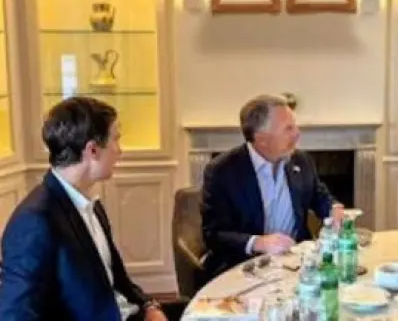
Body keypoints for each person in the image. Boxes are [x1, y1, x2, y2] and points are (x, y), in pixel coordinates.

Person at [0, 97, 179, 321]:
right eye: (116, 139)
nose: (120, 151)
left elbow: (118, 282)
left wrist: (149, 306)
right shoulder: (34, 221)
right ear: (92, 150)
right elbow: (14, 315)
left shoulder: (90, 206)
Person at [201, 94, 343, 279]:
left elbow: (319, 195)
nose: (297, 134)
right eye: (288, 128)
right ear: (262, 139)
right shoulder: (223, 171)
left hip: (297, 263)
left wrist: (334, 209)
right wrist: (258, 243)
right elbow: (213, 235)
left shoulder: (301, 160)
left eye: (295, 126)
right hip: (246, 268)